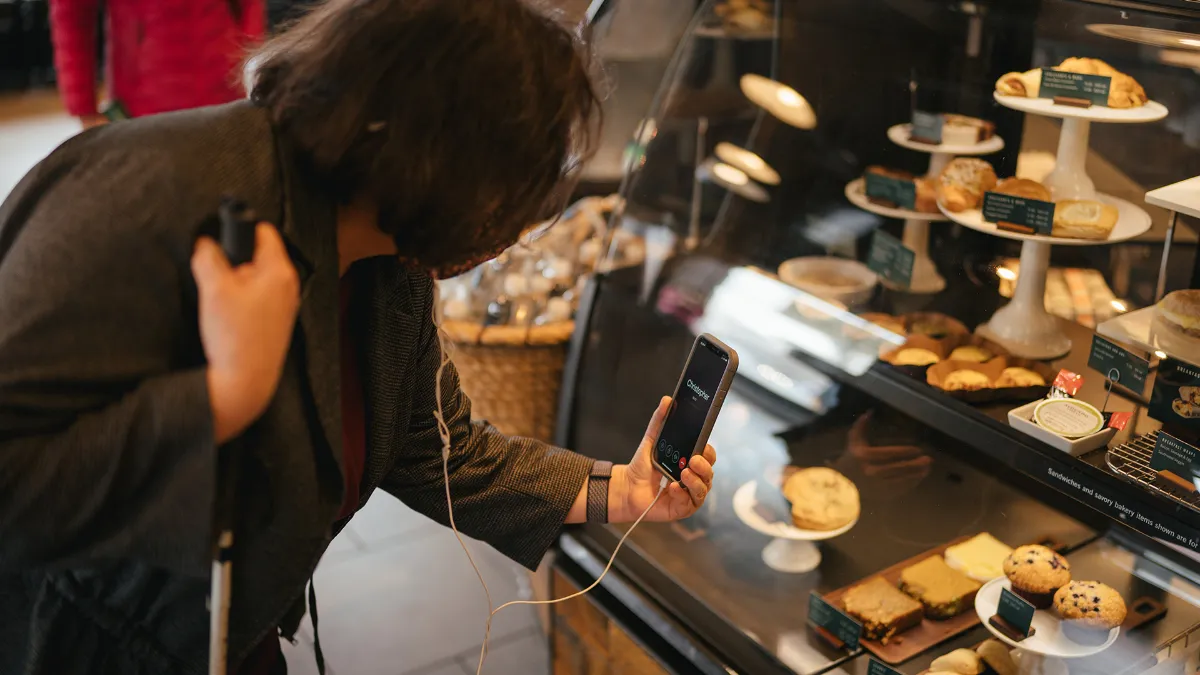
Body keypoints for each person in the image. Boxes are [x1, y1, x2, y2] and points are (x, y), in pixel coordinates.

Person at [0, 1, 717, 674]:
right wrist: (221, 397)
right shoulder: (141, 193)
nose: (512, 232)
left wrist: (618, 490)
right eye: (512, 193)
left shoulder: (387, 262)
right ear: (438, 154)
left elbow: (439, 452)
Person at [48, 0, 266, 128]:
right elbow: (72, 14)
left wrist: (247, 66)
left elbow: (250, 7)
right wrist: (84, 109)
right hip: (141, 111)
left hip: (223, 96)